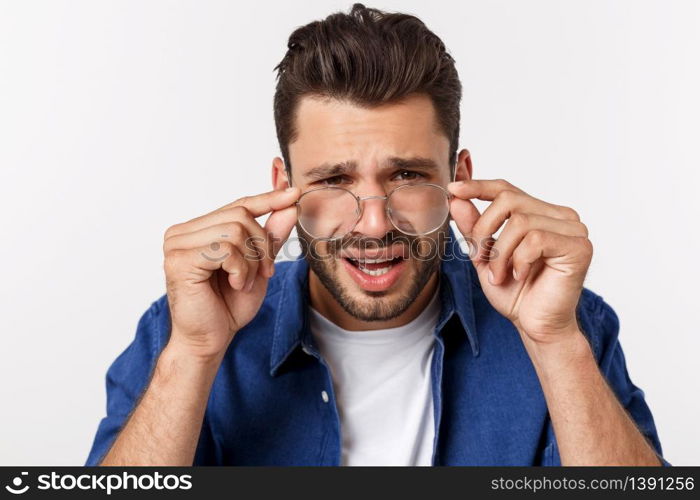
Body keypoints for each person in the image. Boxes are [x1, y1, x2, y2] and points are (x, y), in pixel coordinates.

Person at [86, 3, 667, 466]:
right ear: (282, 185)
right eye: (334, 179)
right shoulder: (183, 329)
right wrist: (192, 354)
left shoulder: (568, 324)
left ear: (459, 180)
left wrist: (556, 344)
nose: (373, 223)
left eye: (408, 175)